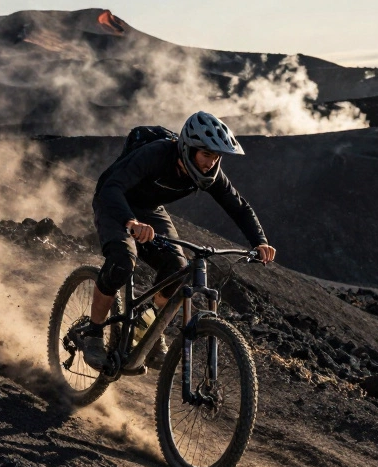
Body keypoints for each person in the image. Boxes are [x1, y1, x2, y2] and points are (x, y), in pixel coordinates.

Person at [80, 111, 276, 370]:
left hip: (150, 210)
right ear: (188, 148)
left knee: (177, 267)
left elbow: (239, 207)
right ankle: (93, 333)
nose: (211, 162)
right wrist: (131, 222)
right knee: (122, 261)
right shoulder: (156, 154)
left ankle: (146, 326)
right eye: (206, 154)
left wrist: (259, 241)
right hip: (116, 203)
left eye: (216, 156)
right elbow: (111, 188)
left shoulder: (209, 173)